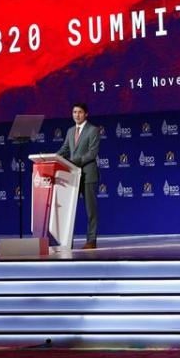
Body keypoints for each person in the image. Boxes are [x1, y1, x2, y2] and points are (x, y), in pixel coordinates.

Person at [56, 103, 100, 249]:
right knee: (68, 210)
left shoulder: (93, 130)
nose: (77, 115)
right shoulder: (70, 131)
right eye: (74, 112)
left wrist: (74, 161)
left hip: (88, 175)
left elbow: (92, 153)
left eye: (80, 112)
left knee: (91, 210)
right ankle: (67, 242)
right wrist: (54, 157)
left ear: (86, 114)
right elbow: (65, 149)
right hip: (72, 176)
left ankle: (91, 240)